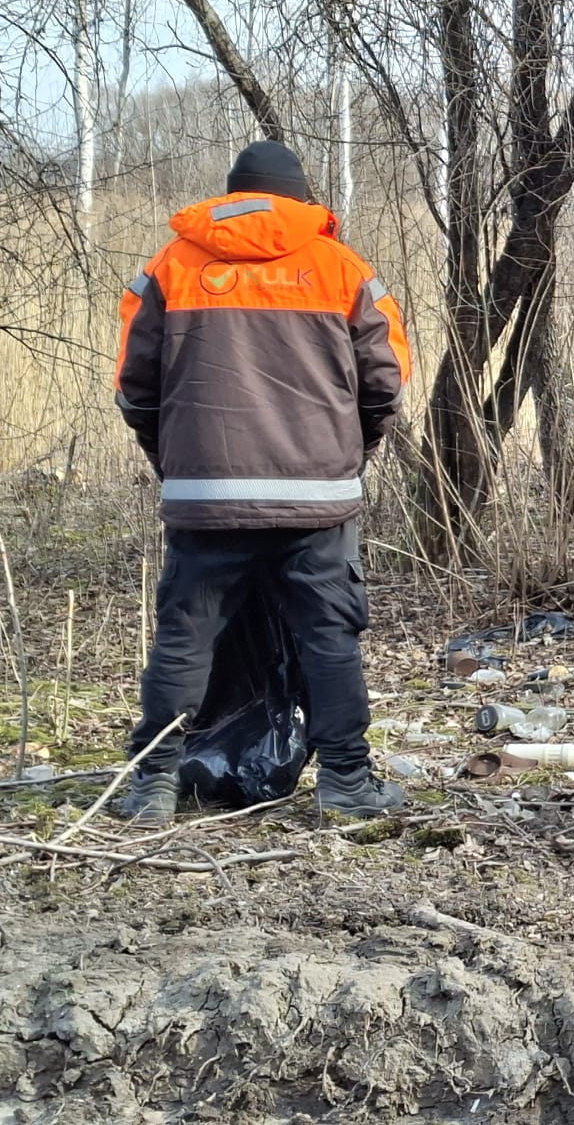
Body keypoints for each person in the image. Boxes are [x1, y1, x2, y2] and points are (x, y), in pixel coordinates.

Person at [114, 141, 412, 826]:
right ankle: (345, 782)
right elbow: (385, 382)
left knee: (184, 638)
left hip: (204, 494)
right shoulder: (341, 268)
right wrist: (349, 454)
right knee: (328, 637)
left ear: (231, 194)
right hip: (317, 495)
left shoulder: (171, 267)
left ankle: (153, 784)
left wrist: (180, 460)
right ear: (301, 198)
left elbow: (135, 385)